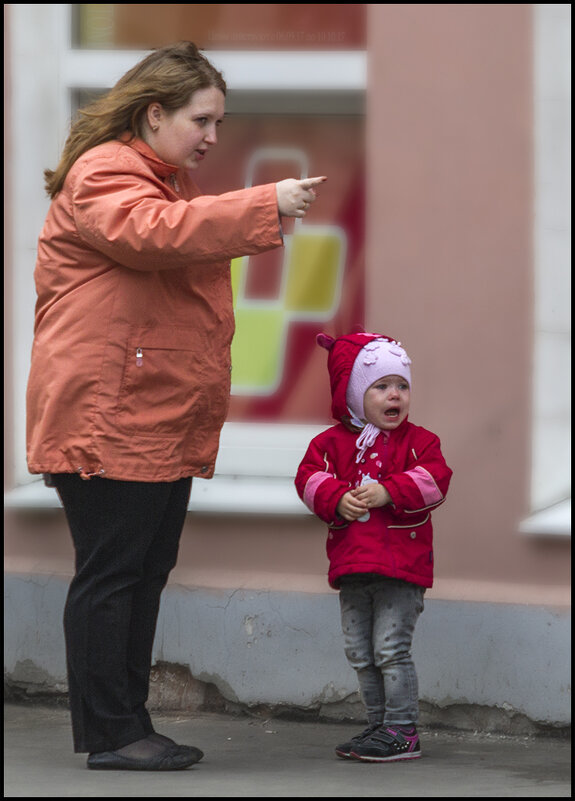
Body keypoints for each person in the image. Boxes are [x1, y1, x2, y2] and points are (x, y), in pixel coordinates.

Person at [26, 41, 326, 772]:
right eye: (202, 120)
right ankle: (111, 732)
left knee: (140, 572)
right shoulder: (107, 176)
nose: (212, 137)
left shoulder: (152, 180)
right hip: (108, 421)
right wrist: (266, 203)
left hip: (141, 417)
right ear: (153, 113)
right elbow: (153, 236)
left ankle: (127, 725)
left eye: (219, 122)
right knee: (114, 577)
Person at [294, 331, 452, 762]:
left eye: (401, 385)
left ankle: (402, 731)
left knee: (390, 649)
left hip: (401, 570)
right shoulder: (330, 445)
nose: (394, 395)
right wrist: (334, 496)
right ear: (353, 395)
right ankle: (378, 726)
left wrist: (390, 491)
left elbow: (436, 480)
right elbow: (308, 478)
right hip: (353, 568)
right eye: (381, 386)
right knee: (361, 653)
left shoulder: (420, 442)